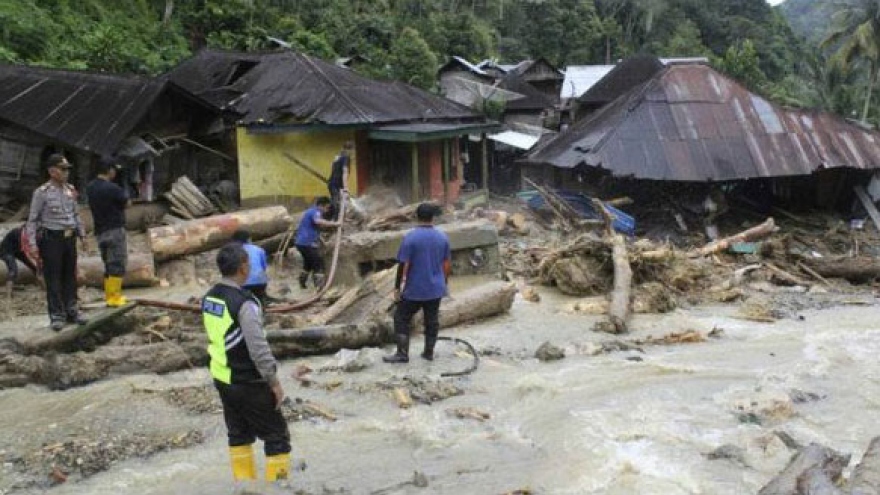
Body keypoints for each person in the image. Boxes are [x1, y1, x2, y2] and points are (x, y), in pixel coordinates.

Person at [202, 242, 291, 483]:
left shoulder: (209, 297)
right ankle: (279, 487)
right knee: (277, 436)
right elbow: (258, 347)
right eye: (248, 264)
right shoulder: (245, 303)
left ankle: (245, 486)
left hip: (222, 378)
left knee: (238, 434)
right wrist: (274, 382)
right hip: (248, 380)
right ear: (242, 268)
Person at [26, 154, 88, 331]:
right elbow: (33, 220)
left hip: (69, 238)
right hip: (51, 238)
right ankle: (56, 315)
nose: (66, 172)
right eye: (62, 169)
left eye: (67, 169)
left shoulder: (70, 189)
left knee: (70, 275)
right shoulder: (42, 192)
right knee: (53, 277)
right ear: (52, 171)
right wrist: (32, 245)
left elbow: (75, 214)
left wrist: (82, 235)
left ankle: (72, 310)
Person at [383, 203, 451, 364]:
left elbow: (403, 264)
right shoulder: (443, 237)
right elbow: (447, 264)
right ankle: (428, 352)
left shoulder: (410, 238)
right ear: (433, 218)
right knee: (432, 320)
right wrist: (444, 283)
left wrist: (397, 288)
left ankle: (402, 354)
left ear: (416, 217)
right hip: (436, 288)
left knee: (401, 317)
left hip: (415, 288)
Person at [86, 156, 130, 307]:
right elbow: (127, 203)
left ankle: (108, 296)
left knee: (107, 264)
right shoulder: (113, 188)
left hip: (100, 231)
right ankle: (114, 298)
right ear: (110, 170)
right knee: (117, 264)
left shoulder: (90, 187)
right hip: (115, 229)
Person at [294, 197, 340, 290]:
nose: (326, 211)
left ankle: (302, 284)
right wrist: (335, 224)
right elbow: (318, 221)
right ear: (320, 206)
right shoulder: (315, 212)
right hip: (307, 243)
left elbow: (315, 231)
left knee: (308, 263)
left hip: (300, 243)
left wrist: (323, 243)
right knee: (318, 263)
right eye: (326, 208)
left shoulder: (310, 212)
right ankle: (319, 288)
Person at [231, 229, 271, 305]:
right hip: (261, 283)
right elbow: (264, 267)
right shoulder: (259, 249)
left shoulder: (235, 251)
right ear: (249, 239)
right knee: (259, 298)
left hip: (244, 284)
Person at [327, 141, 353, 220]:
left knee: (334, 201)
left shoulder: (338, 156)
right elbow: (345, 171)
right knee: (337, 203)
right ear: (349, 150)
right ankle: (334, 221)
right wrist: (345, 187)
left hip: (332, 183)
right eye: (352, 150)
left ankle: (330, 219)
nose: (353, 152)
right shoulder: (346, 157)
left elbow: (332, 167)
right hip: (336, 184)